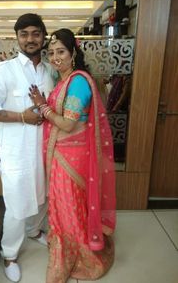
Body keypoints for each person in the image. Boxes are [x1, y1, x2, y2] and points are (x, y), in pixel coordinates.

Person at [29, 28, 116, 283]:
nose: (55, 57)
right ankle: (66, 249)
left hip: (72, 157)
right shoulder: (64, 81)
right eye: (52, 52)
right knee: (64, 205)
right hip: (63, 154)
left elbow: (67, 124)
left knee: (70, 206)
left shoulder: (78, 81)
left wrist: (43, 106)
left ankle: (79, 254)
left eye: (61, 51)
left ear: (73, 53)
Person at [0, 13, 55, 282]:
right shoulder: (5, 70)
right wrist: (21, 116)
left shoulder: (50, 71)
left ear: (43, 36)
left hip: (46, 151)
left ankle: (35, 231)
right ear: (17, 38)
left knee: (44, 196)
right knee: (15, 206)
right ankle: (9, 254)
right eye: (24, 34)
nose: (30, 39)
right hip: (16, 155)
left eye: (35, 33)